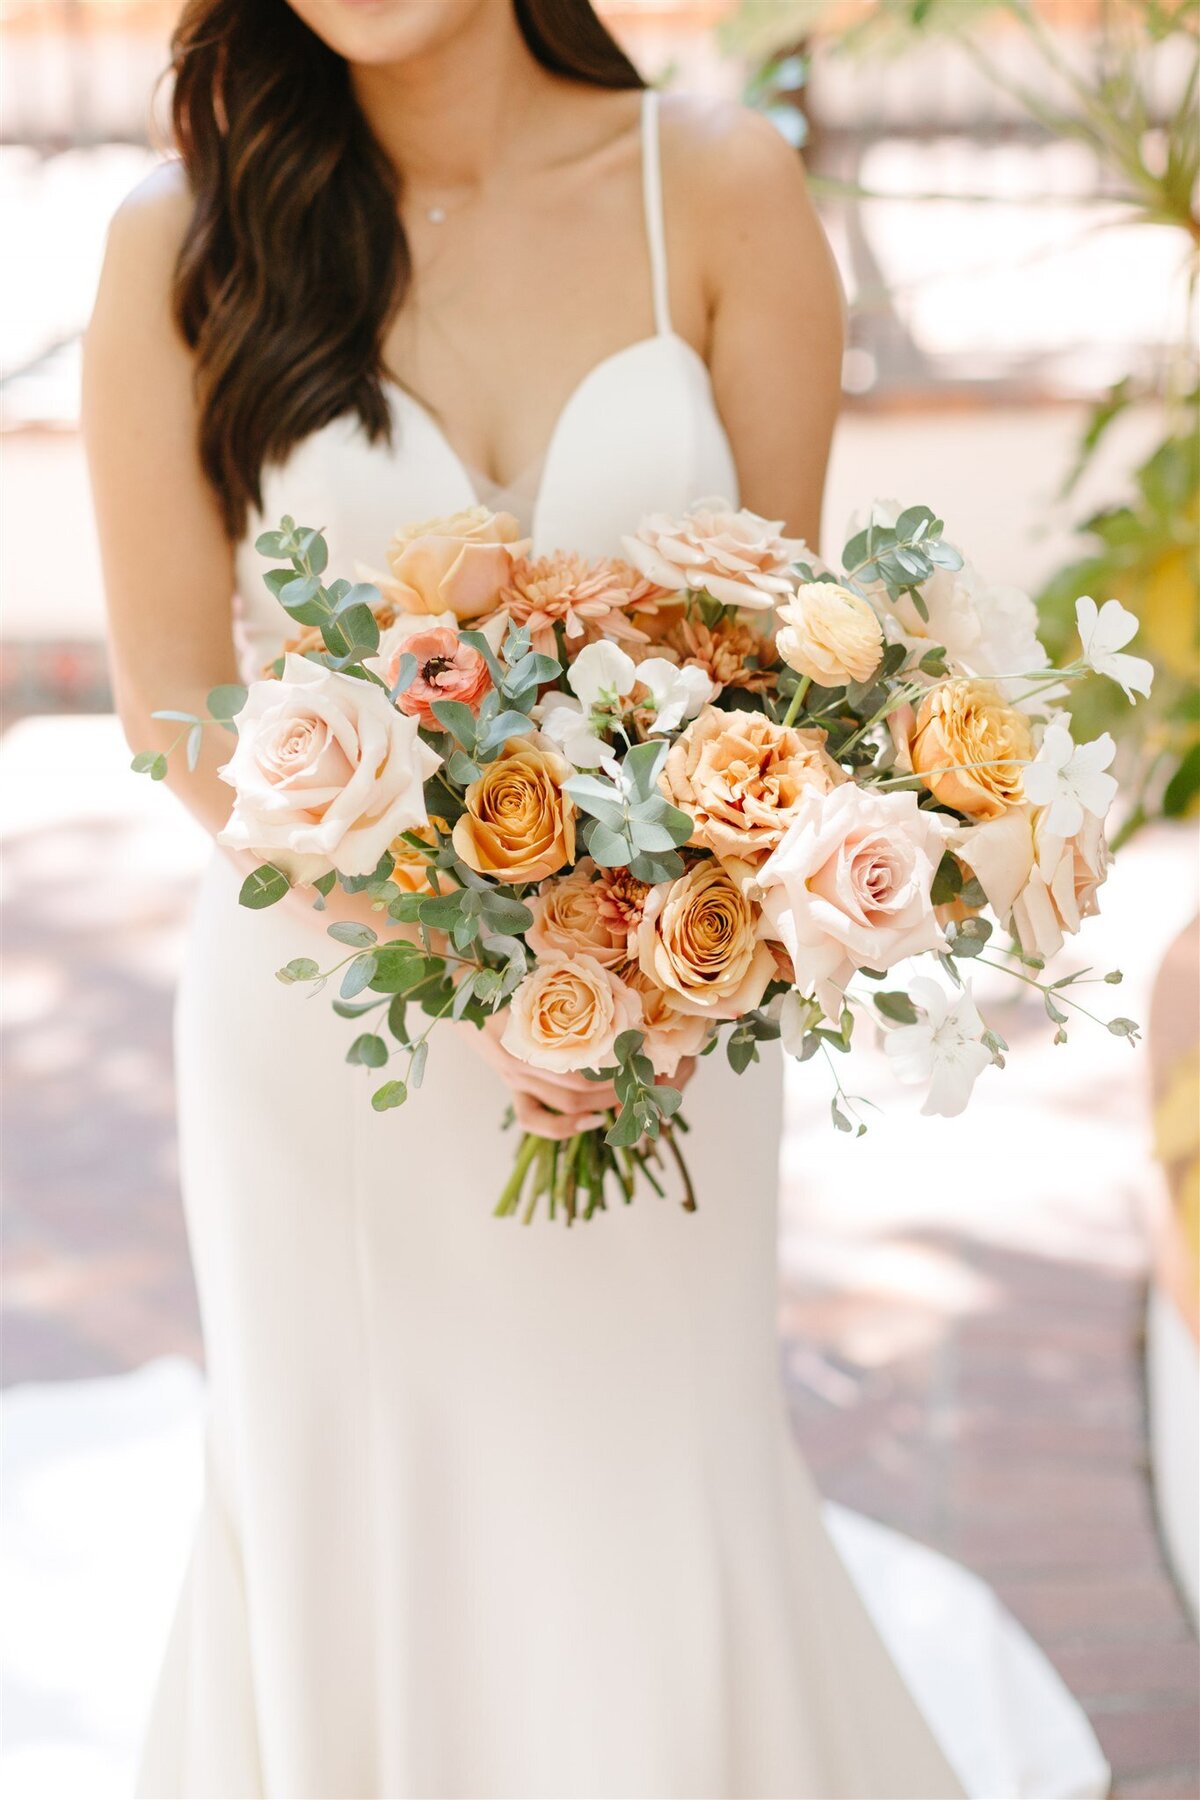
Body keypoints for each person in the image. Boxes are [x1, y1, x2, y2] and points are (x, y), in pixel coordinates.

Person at [83, 2, 964, 1793]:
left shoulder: (714, 189)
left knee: (660, 1487)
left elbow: (785, 670)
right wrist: (452, 952)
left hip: (658, 1009)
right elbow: (178, 702)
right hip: (340, 1039)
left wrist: (638, 951)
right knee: (364, 1523)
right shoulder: (179, 244)